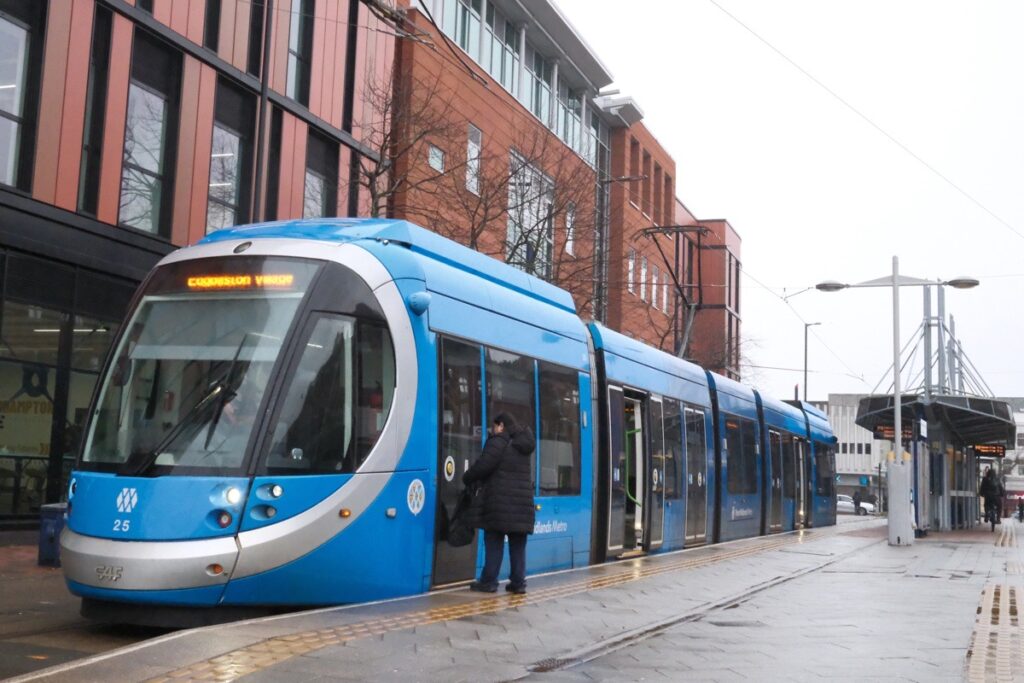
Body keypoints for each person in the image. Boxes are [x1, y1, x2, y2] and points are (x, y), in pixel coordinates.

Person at [463, 412, 536, 594]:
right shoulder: (523, 445)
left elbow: (483, 466)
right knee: (518, 546)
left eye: (494, 427)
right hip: (522, 506)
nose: (493, 430)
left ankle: (489, 581)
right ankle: (518, 584)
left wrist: (466, 478)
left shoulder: (499, 442)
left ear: (501, 426)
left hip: (499, 505)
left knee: (494, 542)